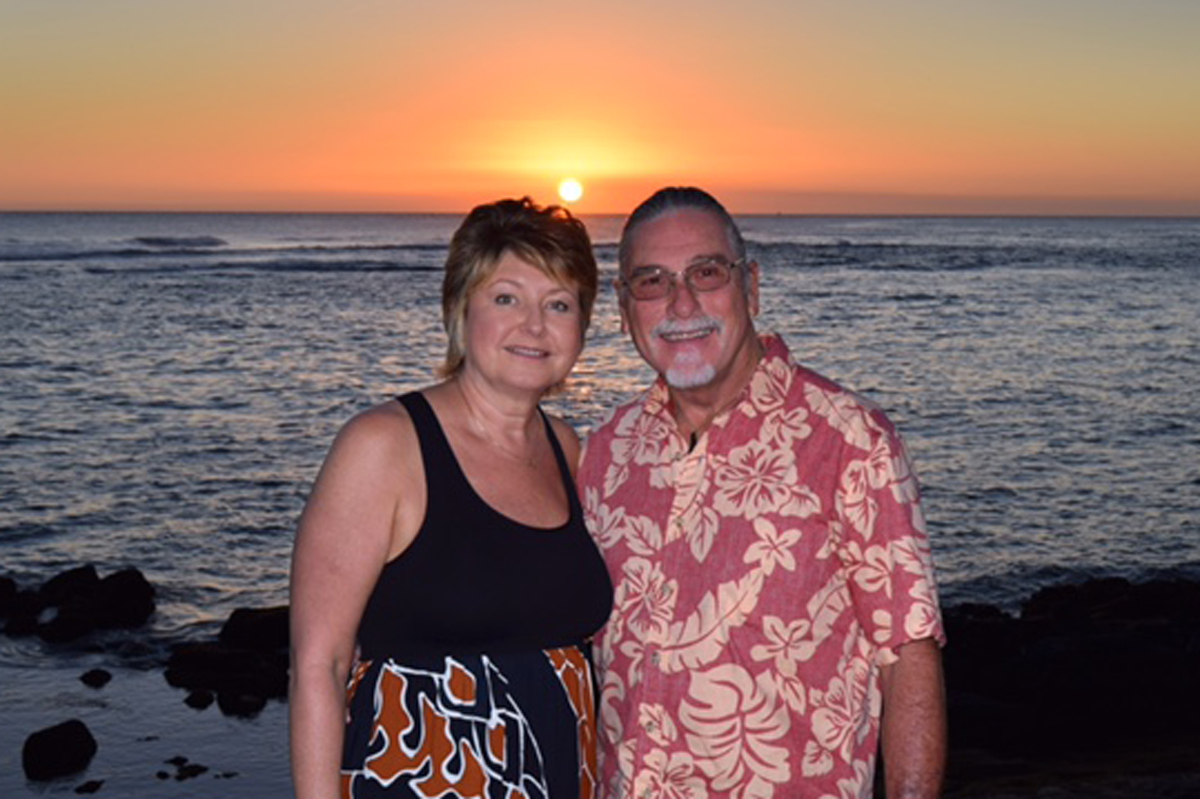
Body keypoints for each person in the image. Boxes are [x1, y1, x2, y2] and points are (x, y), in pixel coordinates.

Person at [577, 187, 946, 799]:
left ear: (750, 287)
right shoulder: (605, 454)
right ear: (622, 308)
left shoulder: (848, 439)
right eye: (652, 282)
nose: (682, 302)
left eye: (706, 272)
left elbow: (907, 658)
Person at [289, 197, 614, 799]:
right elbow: (320, 665)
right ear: (461, 310)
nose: (535, 325)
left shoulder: (567, 450)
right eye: (506, 297)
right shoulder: (385, 445)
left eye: (559, 304)